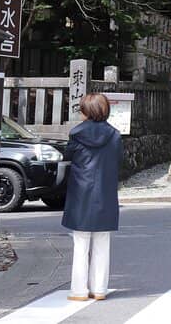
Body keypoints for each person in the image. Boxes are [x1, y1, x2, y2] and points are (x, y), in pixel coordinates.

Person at [62, 93, 122, 302]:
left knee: (81, 243)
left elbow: (67, 157)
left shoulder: (76, 134)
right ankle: (100, 289)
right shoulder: (115, 135)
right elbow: (117, 161)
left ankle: (79, 291)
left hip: (81, 194)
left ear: (87, 111)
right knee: (102, 243)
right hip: (105, 193)